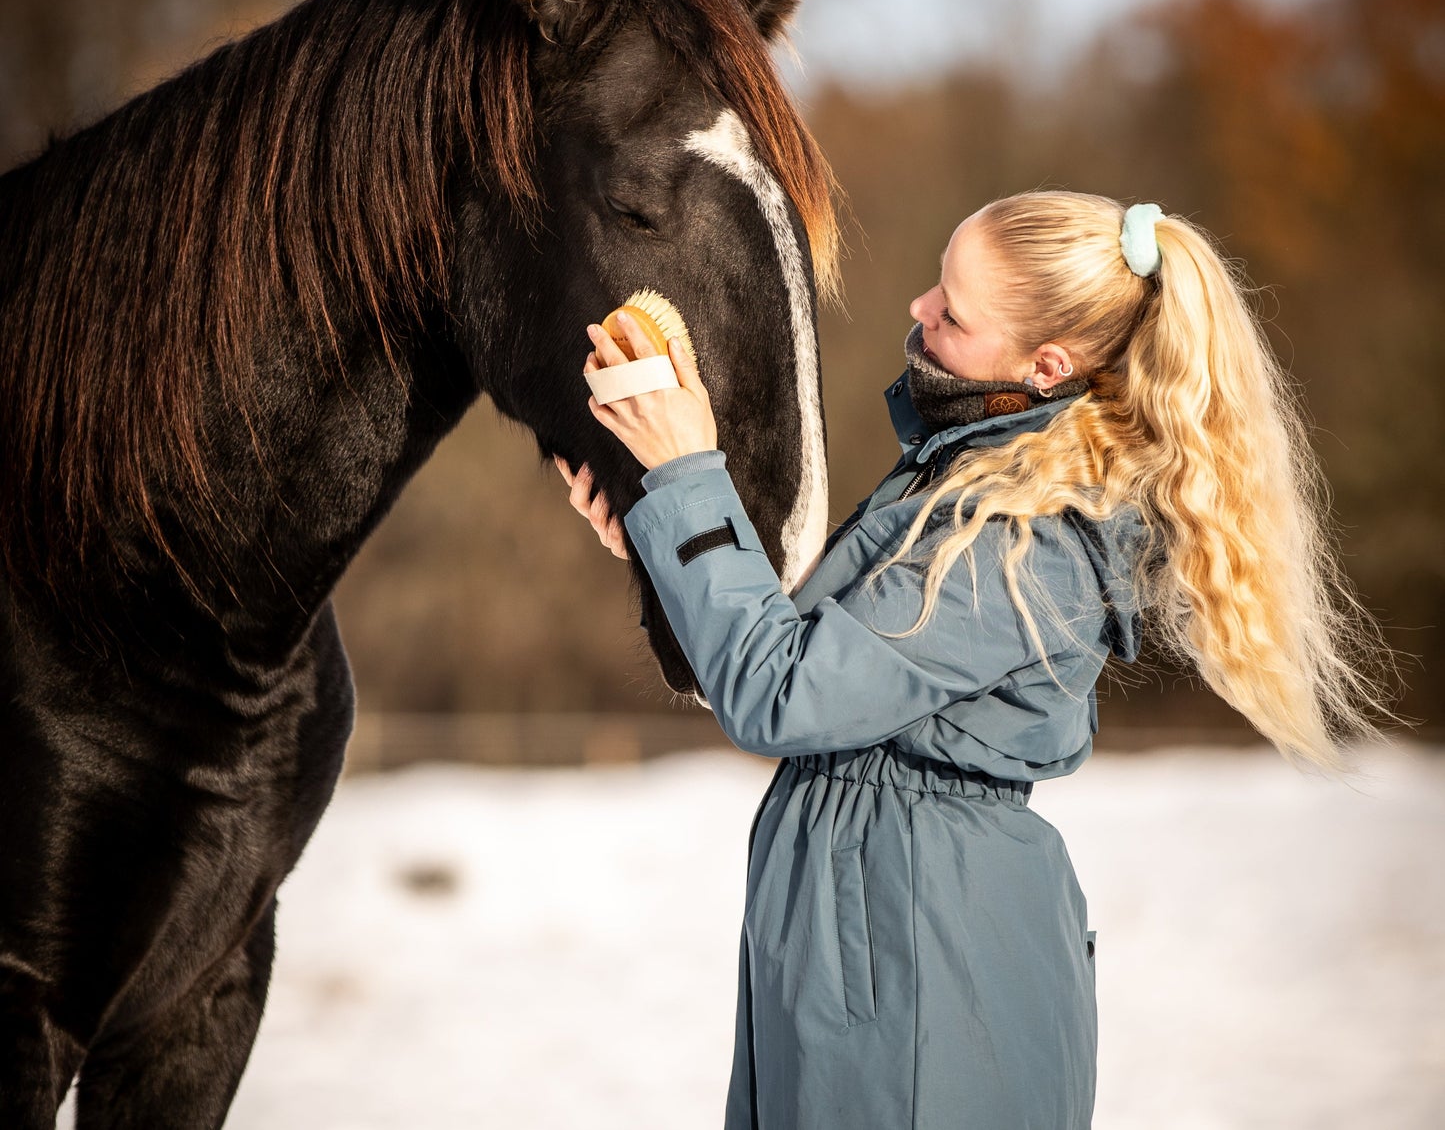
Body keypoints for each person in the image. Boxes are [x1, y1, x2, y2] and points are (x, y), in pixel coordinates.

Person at [553, 190, 1394, 1130]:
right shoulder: (962, 480)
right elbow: (806, 664)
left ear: (1044, 364)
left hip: (919, 955)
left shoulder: (1024, 542)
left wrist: (687, 477)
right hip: (872, 923)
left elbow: (782, 696)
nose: (917, 309)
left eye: (951, 312)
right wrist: (665, 539)